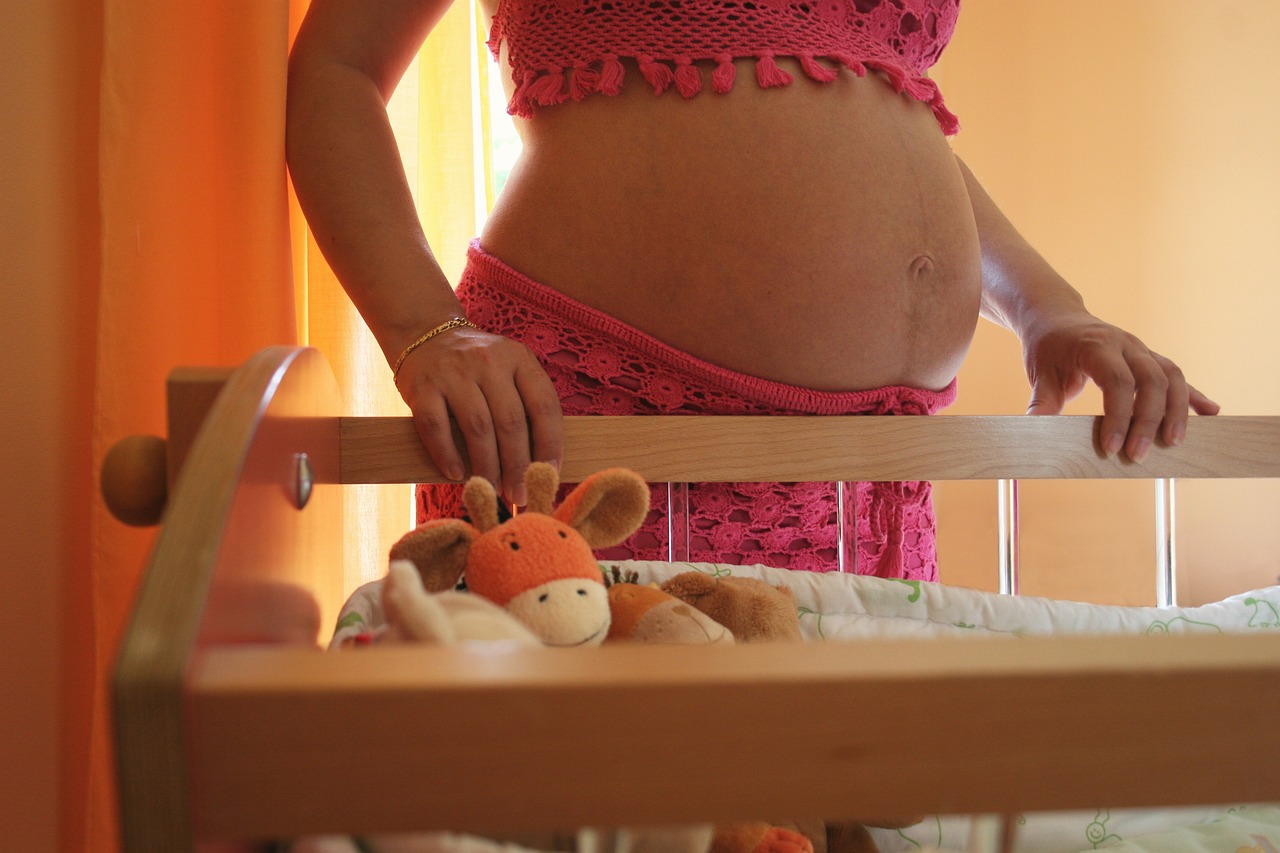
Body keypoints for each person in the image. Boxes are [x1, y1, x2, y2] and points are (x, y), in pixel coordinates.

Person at [286, 0, 1219, 580]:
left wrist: (1051, 306)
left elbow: (870, 100)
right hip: (599, 430)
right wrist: (426, 332)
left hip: (864, 484)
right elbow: (336, 69)